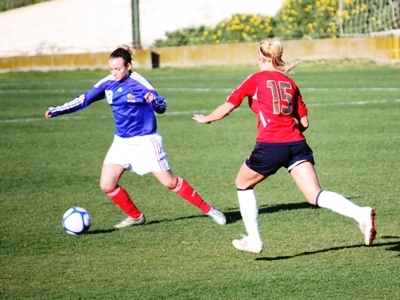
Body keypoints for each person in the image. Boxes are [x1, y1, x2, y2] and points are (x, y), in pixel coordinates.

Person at [192, 38, 376, 254]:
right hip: (297, 144)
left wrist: (207, 119)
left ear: (259, 56)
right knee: (315, 194)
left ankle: (254, 240)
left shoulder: (255, 79)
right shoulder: (290, 83)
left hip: (270, 145)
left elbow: (228, 106)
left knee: (242, 184)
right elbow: (305, 122)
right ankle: (360, 213)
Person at [45, 45, 226, 228]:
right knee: (107, 184)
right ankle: (136, 217)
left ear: (129, 66)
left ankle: (209, 209)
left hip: (146, 140)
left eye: (118, 69)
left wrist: (153, 101)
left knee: (169, 182)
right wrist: (57, 110)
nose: (114, 73)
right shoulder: (108, 83)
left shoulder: (140, 84)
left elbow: (161, 106)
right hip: (121, 141)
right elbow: (84, 99)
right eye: (111, 69)